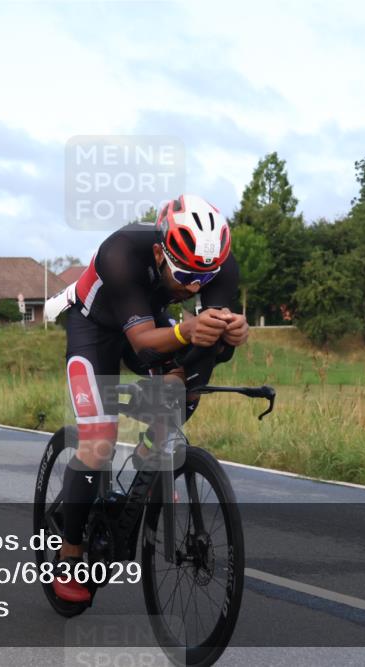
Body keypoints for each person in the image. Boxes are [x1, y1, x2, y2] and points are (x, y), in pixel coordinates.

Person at [52, 194, 249, 603]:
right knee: (99, 440)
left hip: (151, 320)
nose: (193, 286)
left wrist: (231, 334)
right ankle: (70, 554)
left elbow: (211, 346)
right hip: (97, 330)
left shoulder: (219, 264)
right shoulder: (121, 252)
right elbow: (142, 346)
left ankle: (148, 457)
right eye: (184, 274)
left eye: (204, 279)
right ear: (160, 251)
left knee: (178, 395)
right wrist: (186, 331)